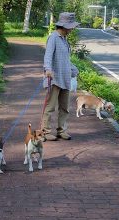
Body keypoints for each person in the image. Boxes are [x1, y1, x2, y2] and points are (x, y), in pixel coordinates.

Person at [41, 12, 80, 141]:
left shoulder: (64, 39)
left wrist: (74, 69)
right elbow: (48, 55)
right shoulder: (54, 37)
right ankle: (45, 131)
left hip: (65, 78)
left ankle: (61, 131)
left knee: (65, 107)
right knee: (50, 107)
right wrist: (48, 69)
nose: (72, 29)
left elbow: (65, 59)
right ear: (64, 26)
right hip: (54, 78)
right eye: (71, 27)